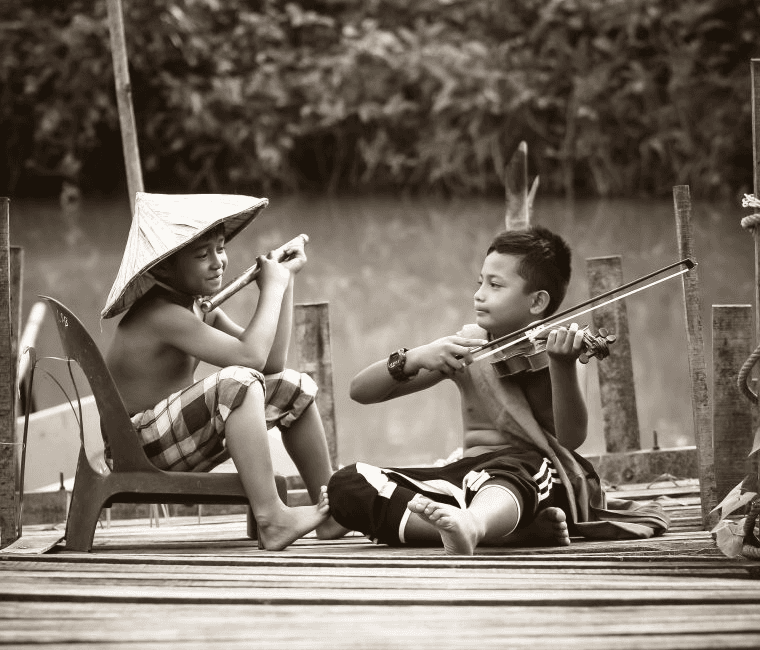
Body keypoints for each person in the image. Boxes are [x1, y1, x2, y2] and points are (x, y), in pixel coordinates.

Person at [327, 226, 669, 555]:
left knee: (518, 468)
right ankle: (493, 533)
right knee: (348, 485)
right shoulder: (466, 347)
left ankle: (475, 524)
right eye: (480, 283)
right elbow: (361, 391)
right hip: (468, 480)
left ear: (536, 302)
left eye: (495, 285)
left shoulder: (558, 351)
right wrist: (415, 357)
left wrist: (563, 366)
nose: (479, 294)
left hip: (536, 479)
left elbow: (571, 438)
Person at [101, 192, 343, 550]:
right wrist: (271, 289)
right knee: (238, 382)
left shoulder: (199, 308)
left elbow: (271, 365)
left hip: (174, 439)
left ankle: (334, 511)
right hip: (138, 446)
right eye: (202, 255)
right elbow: (250, 360)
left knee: (292, 386)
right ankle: (272, 517)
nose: (218, 262)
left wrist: (284, 282)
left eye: (220, 248)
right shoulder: (160, 314)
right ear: (164, 267)